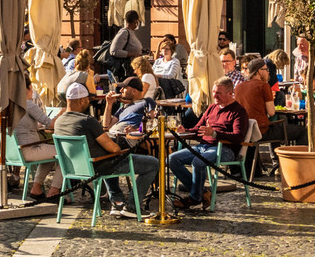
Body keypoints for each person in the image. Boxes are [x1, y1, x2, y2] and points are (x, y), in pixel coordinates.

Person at [52, 83, 158, 218]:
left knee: (109, 157)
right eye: (87, 100)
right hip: (98, 166)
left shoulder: (59, 121)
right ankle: (132, 207)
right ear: (82, 100)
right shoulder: (87, 120)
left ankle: (117, 201)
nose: (88, 102)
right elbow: (113, 148)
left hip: (74, 167)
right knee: (152, 163)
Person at [168, 78, 249, 209]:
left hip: (225, 149)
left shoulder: (238, 111)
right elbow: (198, 129)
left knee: (198, 162)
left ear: (230, 93)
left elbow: (238, 136)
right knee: (172, 159)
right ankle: (202, 192)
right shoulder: (212, 108)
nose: (215, 96)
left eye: (219, 93)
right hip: (204, 146)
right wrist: (185, 131)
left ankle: (194, 198)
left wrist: (215, 133)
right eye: (213, 92)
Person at [11, 83, 58, 198]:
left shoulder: (10, 104)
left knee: (50, 155)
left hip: (14, 151)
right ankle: (54, 191)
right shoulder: (27, 104)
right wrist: (62, 113)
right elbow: (50, 124)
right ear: (29, 88)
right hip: (28, 149)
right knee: (64, 153)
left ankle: (36, 188)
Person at [234, 59, 279, 145]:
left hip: (244, 130)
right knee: (301, 131)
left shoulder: (238, 87)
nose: (268, 72)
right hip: (260, 131)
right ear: (259, 71)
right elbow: (272, 112)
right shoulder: (264, 85)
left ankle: (274, 157)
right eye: (266, 70)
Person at [107, 11, 145, 79]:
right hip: (123, 71)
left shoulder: (131, 32)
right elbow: (114, 51)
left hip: (132, 69)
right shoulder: (124, 32)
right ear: (135, 22)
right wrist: (132, 54)